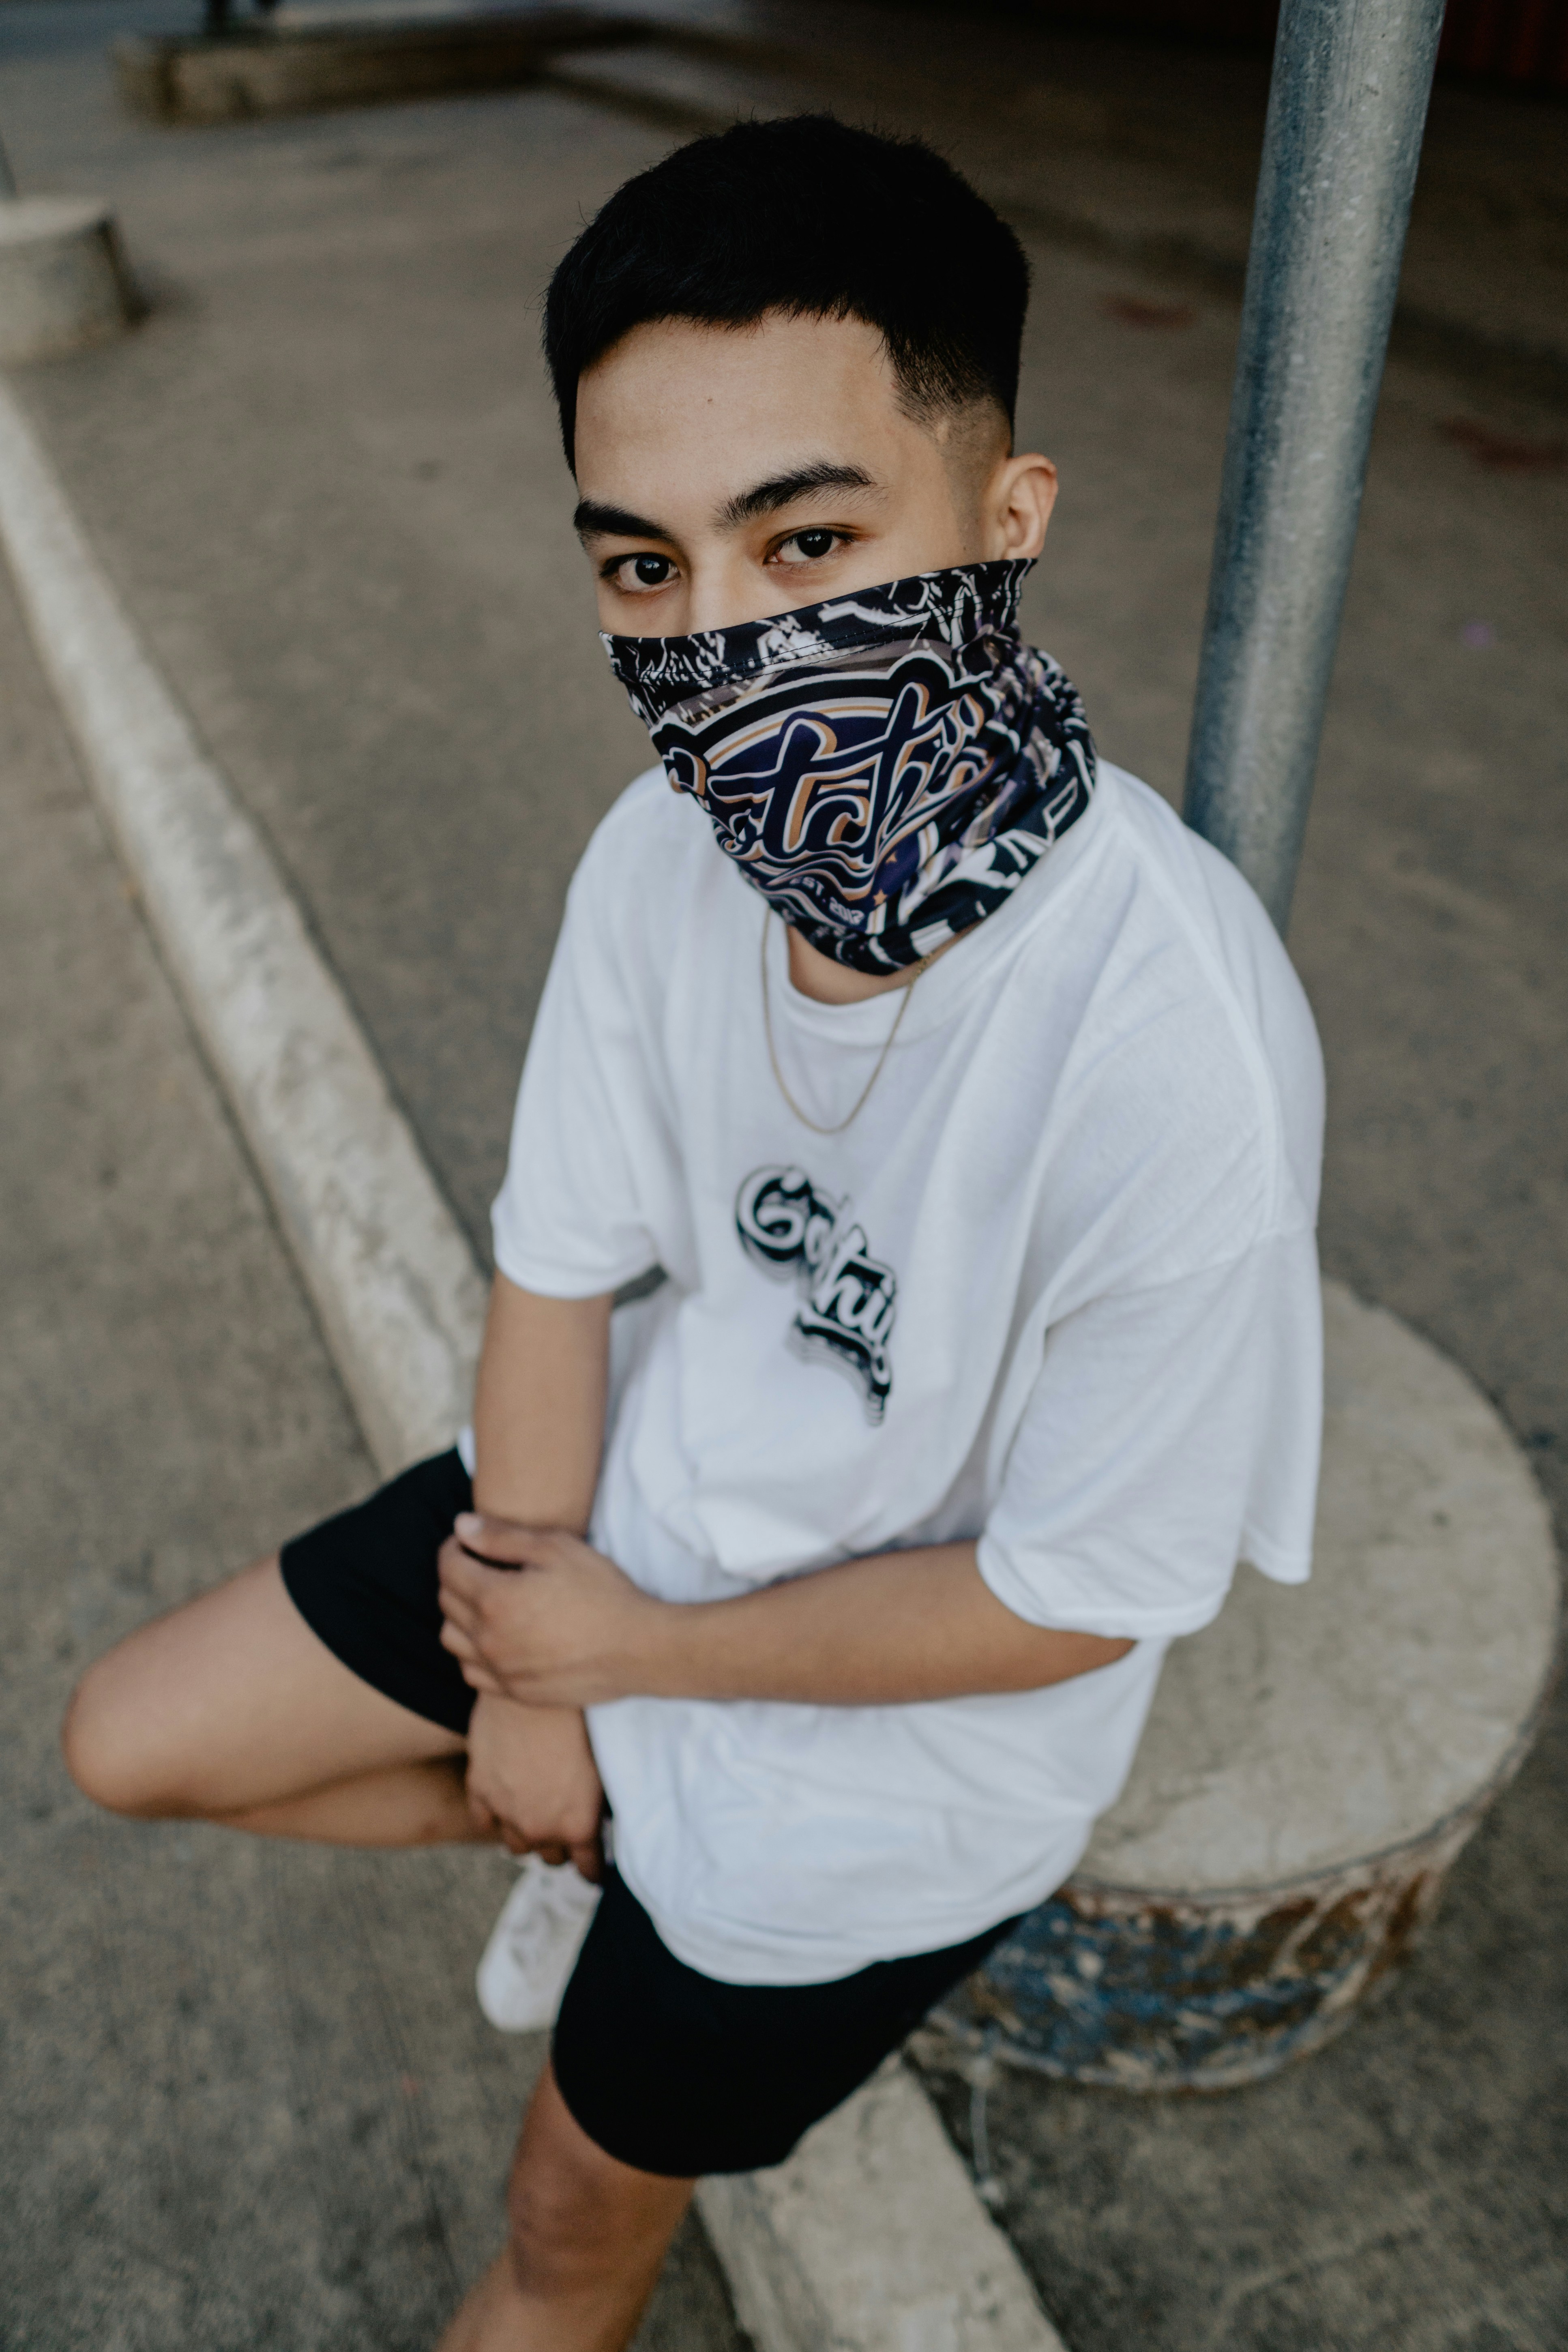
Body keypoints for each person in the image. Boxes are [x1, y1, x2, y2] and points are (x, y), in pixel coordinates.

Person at [61, 114, 1324, 2352]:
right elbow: (560, 1261)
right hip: (625, 1532)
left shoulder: (1172, 1036)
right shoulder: (658, 862)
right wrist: (548, 1655)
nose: (728, 646)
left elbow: (1072, 1596)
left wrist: (612, 1664)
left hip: (892, 1775)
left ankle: (656, 1887)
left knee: (561, 2241)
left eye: (811, 534)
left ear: (1005, 519)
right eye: (643, 566)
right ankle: (610, 1833)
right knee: (135, 1734)